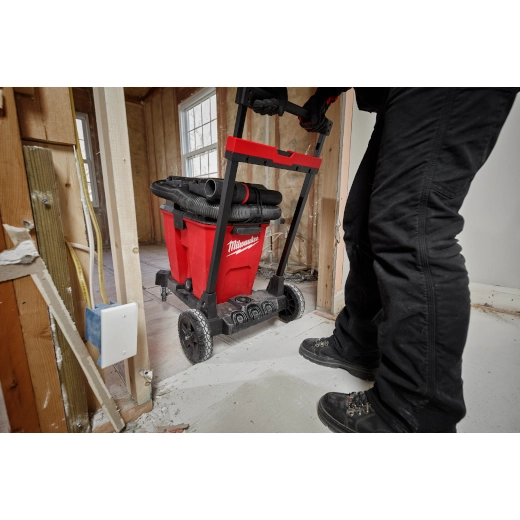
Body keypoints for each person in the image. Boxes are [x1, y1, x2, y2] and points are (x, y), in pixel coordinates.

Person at [253, 87, 519, 433]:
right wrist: (323, 96)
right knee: (362, 224)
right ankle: (358, 344)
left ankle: (413, 411)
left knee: (410, 226)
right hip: (398, 92)